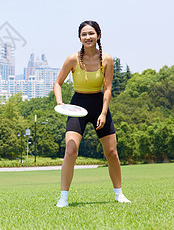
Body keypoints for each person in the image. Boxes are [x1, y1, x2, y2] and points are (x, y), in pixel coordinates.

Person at [53, 20, 131, 207]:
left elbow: (108, 88)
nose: (88, 37)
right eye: (84, 34)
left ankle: (119, 194)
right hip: (77, 105)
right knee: (71, 150)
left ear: (98, 35)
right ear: (79, 38)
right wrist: (60, 103)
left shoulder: (107, 59)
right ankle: (63, 198)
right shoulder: (72, 59)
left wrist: (103, 113)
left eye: (91, 33)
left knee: (111, 152)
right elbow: (58, 83)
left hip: (98, 104)